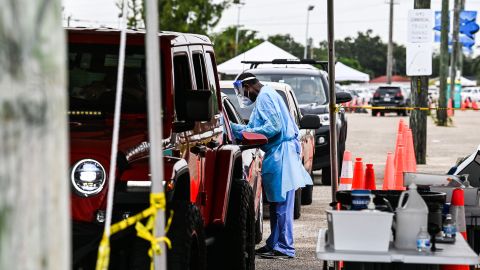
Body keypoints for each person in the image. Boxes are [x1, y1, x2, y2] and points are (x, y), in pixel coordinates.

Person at [231, 73, 313, 259]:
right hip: (279, 153)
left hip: (282, 153)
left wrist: (245, 133)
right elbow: (255, 127)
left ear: (249, 86)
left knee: (282, 204)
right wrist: (234, 127)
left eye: (243, 90)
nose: (244, 95)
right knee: (278, 204)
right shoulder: (268, 94)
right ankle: (274, 243)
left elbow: (273, 127)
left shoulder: (265, 95)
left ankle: (285, 247)